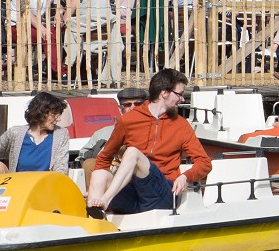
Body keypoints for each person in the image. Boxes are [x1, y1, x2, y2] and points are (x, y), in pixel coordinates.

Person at [86, 69, 212, 214]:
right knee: (99, 174)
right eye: (180, 94)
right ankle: (95, 219)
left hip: (163, 193)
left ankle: (104, 202)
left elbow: (205, 163)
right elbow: (104, 157)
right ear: (164, 93)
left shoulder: (181, 125)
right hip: (134, 193)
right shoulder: (128, 120)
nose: (182, 99)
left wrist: (185, 177)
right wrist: (94, 188)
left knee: (132, 152)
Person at [0, 91, 70, 177]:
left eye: (59, 115)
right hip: (18, 185)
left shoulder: (61, 134)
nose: (58, 119)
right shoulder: (16, 133)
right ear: (41, 113)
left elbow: (61, 169)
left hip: (45, 186)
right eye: (54, 115)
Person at [74, 85, 149, 175]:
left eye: (138, 104)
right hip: (107, 177)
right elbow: (82, 158)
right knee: (89, 164)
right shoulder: (102, 134)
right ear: (120, 109)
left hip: (139, 177)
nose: (133, 108)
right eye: (127, 105)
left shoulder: (153, 130)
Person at [10, 0, 63, 75]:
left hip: (35, 25)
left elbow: (60, 5)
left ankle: (56, 65)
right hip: (17, 25)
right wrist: (41, 27)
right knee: (49, 36)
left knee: (62, 31)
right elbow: (24, 11)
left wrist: (59, 15)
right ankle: (58, 71)